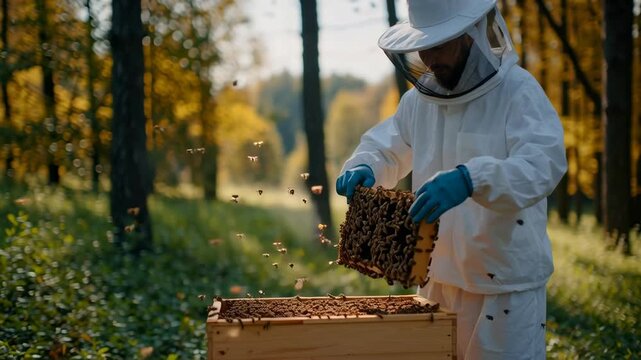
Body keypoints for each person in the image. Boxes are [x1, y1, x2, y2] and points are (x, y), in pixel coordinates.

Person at [335, 0, 567, 358]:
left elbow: (543, 165)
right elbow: (388, 147)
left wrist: (473, 178)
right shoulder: (419, 102)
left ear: (470, 35)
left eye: (439, 45)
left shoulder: (518, 92)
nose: (429, 58)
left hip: (503, 285)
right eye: (423, 46)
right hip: (437, 279)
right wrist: (365, 165)